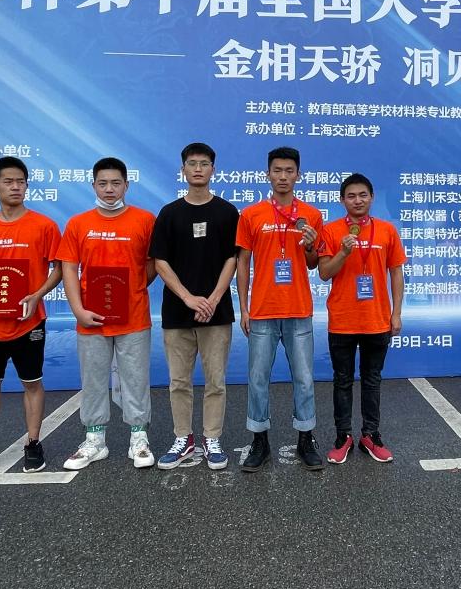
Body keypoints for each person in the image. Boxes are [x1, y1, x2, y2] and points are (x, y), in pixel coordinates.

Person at [0, 156, 62, 476]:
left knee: (32, 382)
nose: (16, 187)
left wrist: (38, 294)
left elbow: (59, 269)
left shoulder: (44, 226)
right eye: (8, 181)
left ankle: (33, 443)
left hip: (29, 321)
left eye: (21, 181)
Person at [57, 157, 158, 470]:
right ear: (93, 186)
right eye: (103, 183)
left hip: (134, 317)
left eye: (116, 183)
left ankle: (138, 438)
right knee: (93, 380)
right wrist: (78, 310)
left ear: (127, 185)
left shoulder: (145, 220)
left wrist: (133, 291)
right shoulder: (78, 224)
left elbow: (153, 264)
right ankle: (95, 440)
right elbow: (69, 268)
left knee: (136, 379)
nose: (109, 189)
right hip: (90, 318)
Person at [150, 143, 239, 470]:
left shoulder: (227, 212)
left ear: (213, 169)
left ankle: (212, 438)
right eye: (192, 163)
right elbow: (160, 261)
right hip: (177, 312)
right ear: (183, 170)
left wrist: (212, 299)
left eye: (204, 163)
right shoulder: (170, 213)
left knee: (216, 381)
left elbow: (232, 259)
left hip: (217, 311)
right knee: (179, 382)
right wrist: (188, 298)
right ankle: (183, 438)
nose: (198, 169)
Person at [236, 146, 325, 471]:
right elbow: (243, 262)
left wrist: (311, 244)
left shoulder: (311, 215)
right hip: (262, 310)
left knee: (304, 378)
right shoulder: (251, 214)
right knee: (258, 378)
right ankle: (259, 440)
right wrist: (243, 308)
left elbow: (313, 263)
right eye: (277, 170)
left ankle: (305, 438)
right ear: (267, 174)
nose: (283, 177)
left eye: (289, 171)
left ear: (298, 175)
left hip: (298, 309)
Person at [317, 173, 406, 464]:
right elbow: (324, 272)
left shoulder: (386, 230)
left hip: (376, 319)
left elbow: (396, 273)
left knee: (372, 380)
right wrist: (344, 252)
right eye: (351, 196)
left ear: (372, 197)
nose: (357, 200)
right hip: (342, 319)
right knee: (342, 381)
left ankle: (371, 435)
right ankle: (343, 437)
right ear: (342, 200)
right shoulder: (331, 231)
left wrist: (396, 313)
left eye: (363, 195)